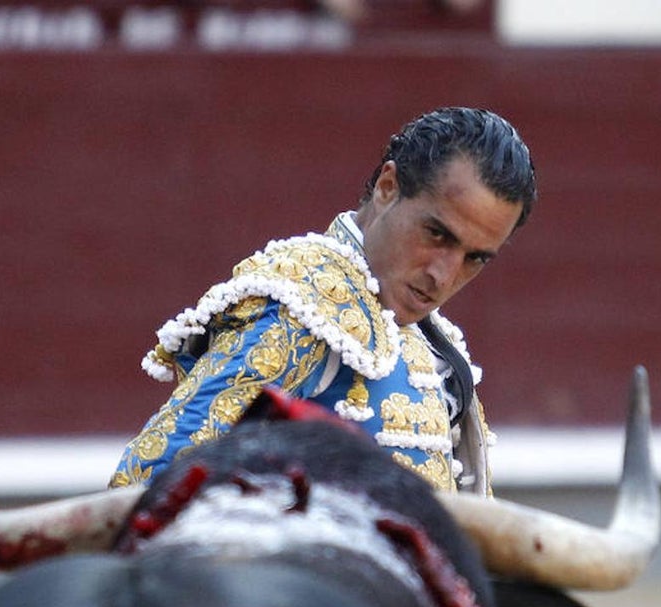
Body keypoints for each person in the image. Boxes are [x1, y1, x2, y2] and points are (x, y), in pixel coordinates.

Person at [109, 106, 536, 495]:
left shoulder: (436, 344)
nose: (444, 276)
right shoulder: (303, 305)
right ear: (388, 187)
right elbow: (151, 479)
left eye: (474, 258)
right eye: (436, 234)